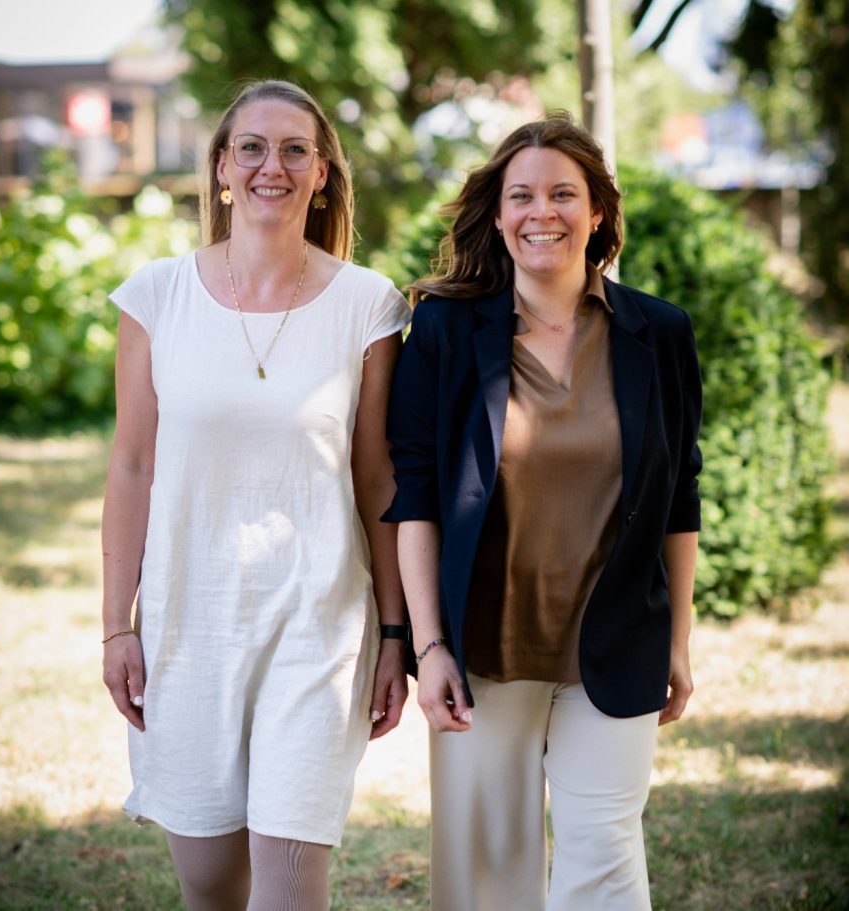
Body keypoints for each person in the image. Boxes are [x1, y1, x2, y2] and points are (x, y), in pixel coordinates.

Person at [100, 79, 411, 911]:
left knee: (286, 887)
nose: (272, 165)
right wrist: (113, 626)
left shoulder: (367, 305)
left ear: (320, 175)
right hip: (189, 623)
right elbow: (132, 466)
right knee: (209, 884)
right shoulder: (156, 295)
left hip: (319, 623)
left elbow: (374, 477)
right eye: (252, 147)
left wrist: (392, 632)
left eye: (294, 150)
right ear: (223, 169)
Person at [382, 111, 702, 911]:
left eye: (564, 193)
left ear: (597, 212)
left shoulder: (657, 333)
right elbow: (413, 494)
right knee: (486, 872)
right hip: (484, 644)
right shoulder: (446, 330)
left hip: (617, 640)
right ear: (497, 214)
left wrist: (681, 639)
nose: (542, 212)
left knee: (606, 859)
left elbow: (679, 496)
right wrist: (429, 646)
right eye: (521, 195)